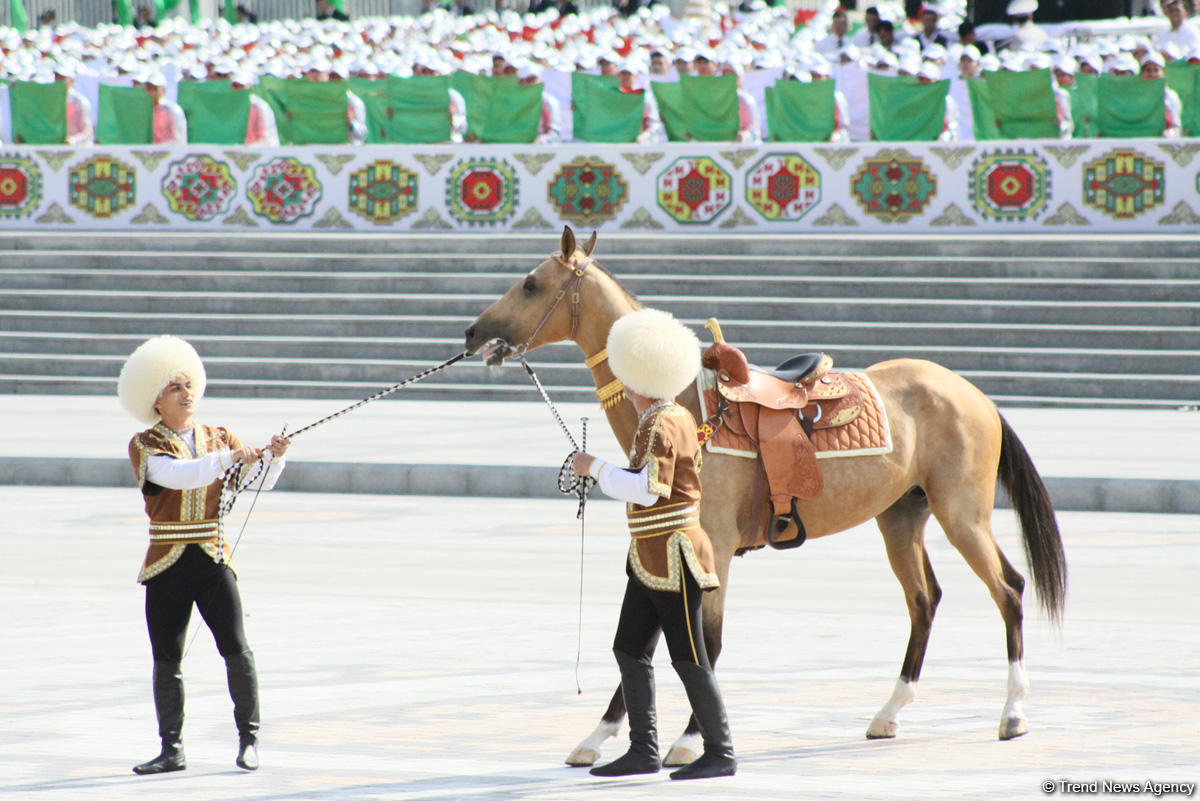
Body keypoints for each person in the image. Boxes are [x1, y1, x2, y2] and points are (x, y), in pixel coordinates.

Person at [571, 309, 736, 782]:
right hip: (650, 555)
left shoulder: (660, 423)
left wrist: (594, 467)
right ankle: (643, 748)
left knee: (690, 658)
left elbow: (648, 489)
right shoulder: (671, 415)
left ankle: (720, 751)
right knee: (629, 649)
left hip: (674, 554)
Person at [118, 335, 290, 775]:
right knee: (167, 658)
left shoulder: (218, 436)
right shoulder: (144, 444)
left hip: (213, 558)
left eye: (188, 385)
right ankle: (171, 748)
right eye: (174, 387)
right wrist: (227, 459)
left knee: (236, 648)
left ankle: (249, 740)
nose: (186, 393)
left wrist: (272, 459)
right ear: (156, 400)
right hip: (166, 563)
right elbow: (177, 476)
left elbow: (254, 481)